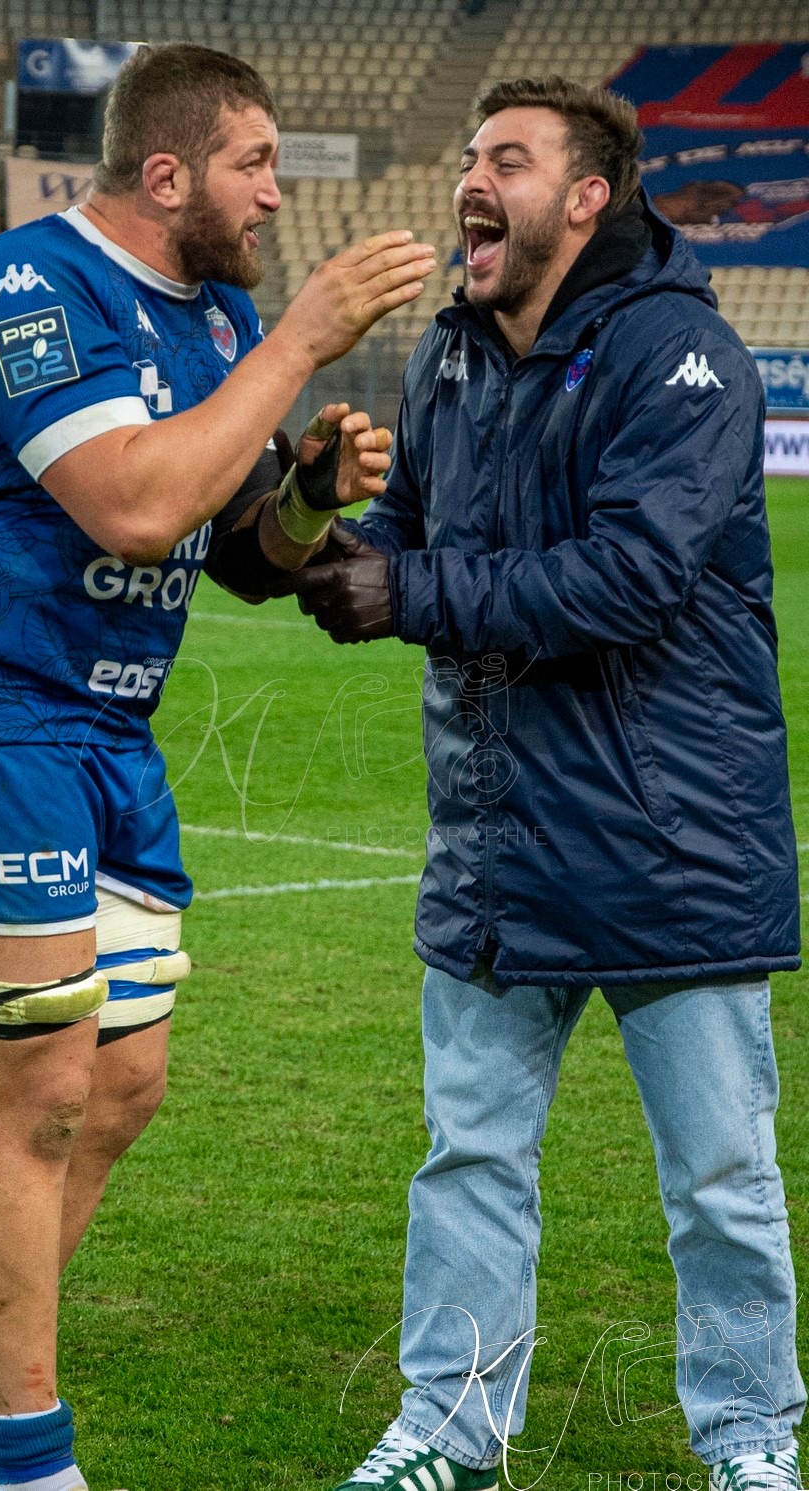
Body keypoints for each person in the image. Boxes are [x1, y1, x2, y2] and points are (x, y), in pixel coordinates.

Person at [0, 43, 435, 1491]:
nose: (275, 195)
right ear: (167, 171)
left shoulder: (221, 314)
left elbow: (240, 556)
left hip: (110, 730)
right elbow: (128, 505)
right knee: (40, 1089)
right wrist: (302, 342)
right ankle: (32, 1466)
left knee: (119, 1088)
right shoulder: (25, 284)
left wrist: (307, 488)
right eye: (255, 164)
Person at [293, 75, 804, 1491]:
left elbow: (634, 577)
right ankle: (452, 1433)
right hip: (498, 840)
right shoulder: (450, 357)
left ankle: (753, 1439)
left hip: (671, 842)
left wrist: (407, 588)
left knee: (717, 1178)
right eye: (469, 155)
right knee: (469, 1157)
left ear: (588, 195)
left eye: (505, 159)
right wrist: (320, 522)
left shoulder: (681, 353)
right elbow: (398, 538)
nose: (473, 177)